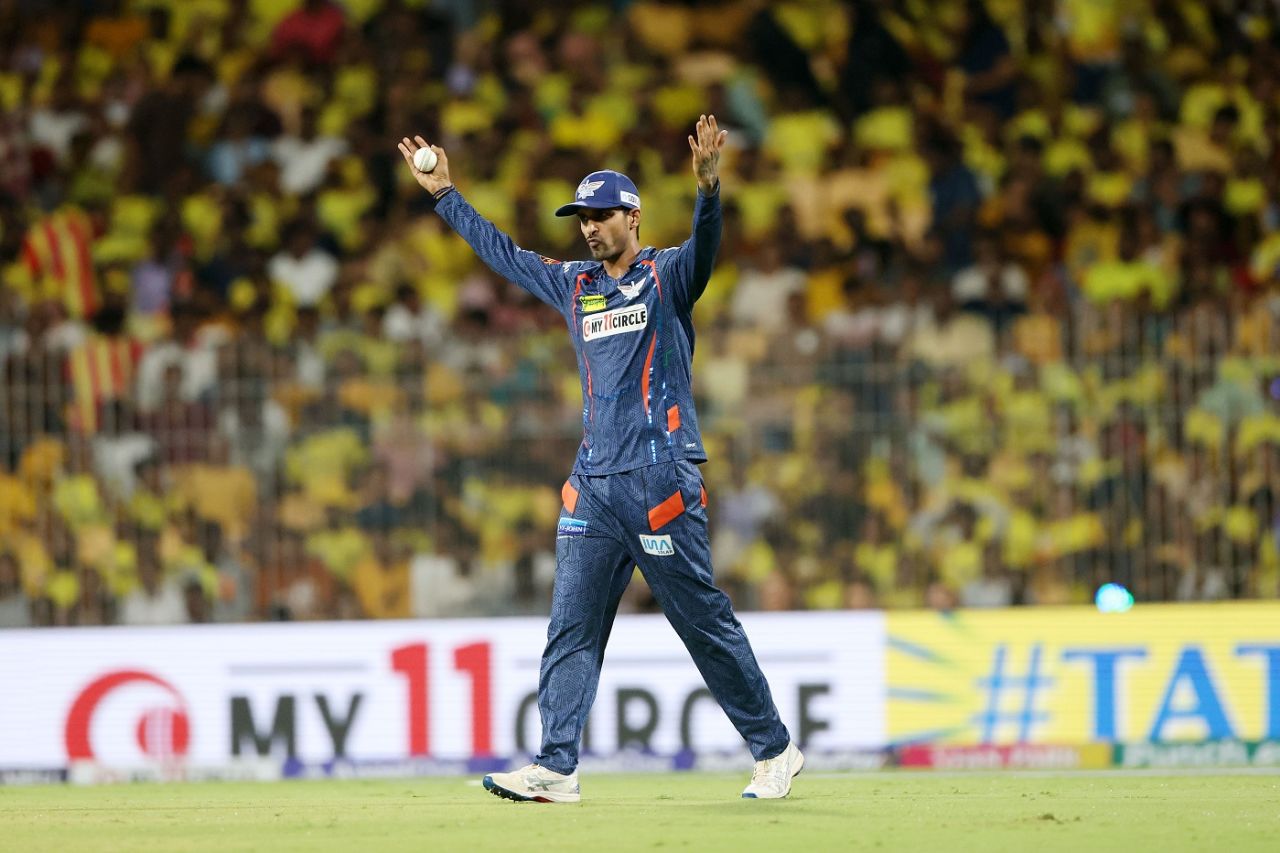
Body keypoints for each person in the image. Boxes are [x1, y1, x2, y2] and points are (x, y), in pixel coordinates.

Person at [398, 115, 802, 802]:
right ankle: (556, 764)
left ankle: (775, 748)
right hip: (593, 487)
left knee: (701, 622)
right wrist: (446, 195)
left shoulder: (668, 274)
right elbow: (505, 254)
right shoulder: (575, 284)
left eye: (602, 215)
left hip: (661, 480)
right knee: (570, 627)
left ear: (633, 216)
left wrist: (709, 190)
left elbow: (706, 250)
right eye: (583, 217)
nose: (589, 227)